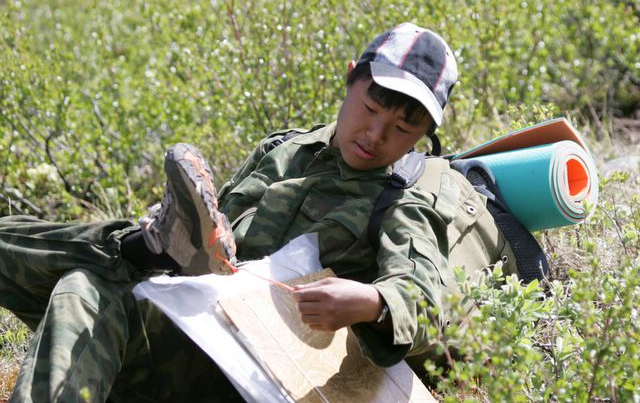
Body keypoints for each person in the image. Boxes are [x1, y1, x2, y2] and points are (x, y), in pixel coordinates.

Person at [0, 22, 460, 402]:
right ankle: (152, 245)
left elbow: (425, 304)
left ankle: (145, 247)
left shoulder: (403, 201)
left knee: (102, 265)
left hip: (248, 377)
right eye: (371, 108)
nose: (377, 134)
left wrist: (371, 303)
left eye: (402, 128)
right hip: (183, 329)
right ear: (349, 79)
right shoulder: (283, 148)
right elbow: (215, 230)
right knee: (82, 289)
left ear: (423, 135)